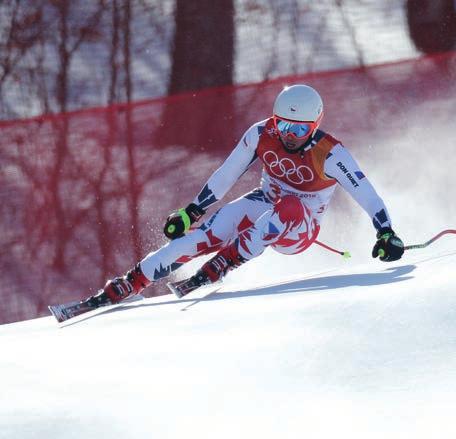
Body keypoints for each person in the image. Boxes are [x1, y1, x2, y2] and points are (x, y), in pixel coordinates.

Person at [86, 84, 405, 306]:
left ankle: (220, 266)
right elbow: (227, 173)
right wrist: (192, 212)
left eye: (299, 130)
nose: (289, 136)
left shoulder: (330, 153)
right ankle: (130, 282)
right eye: (283, 125)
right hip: (263, 203)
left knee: (290, 206)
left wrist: (385, 232)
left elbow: (368, 195)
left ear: (315, 125)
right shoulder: (261, 133)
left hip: (300, 226)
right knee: (215, 226)